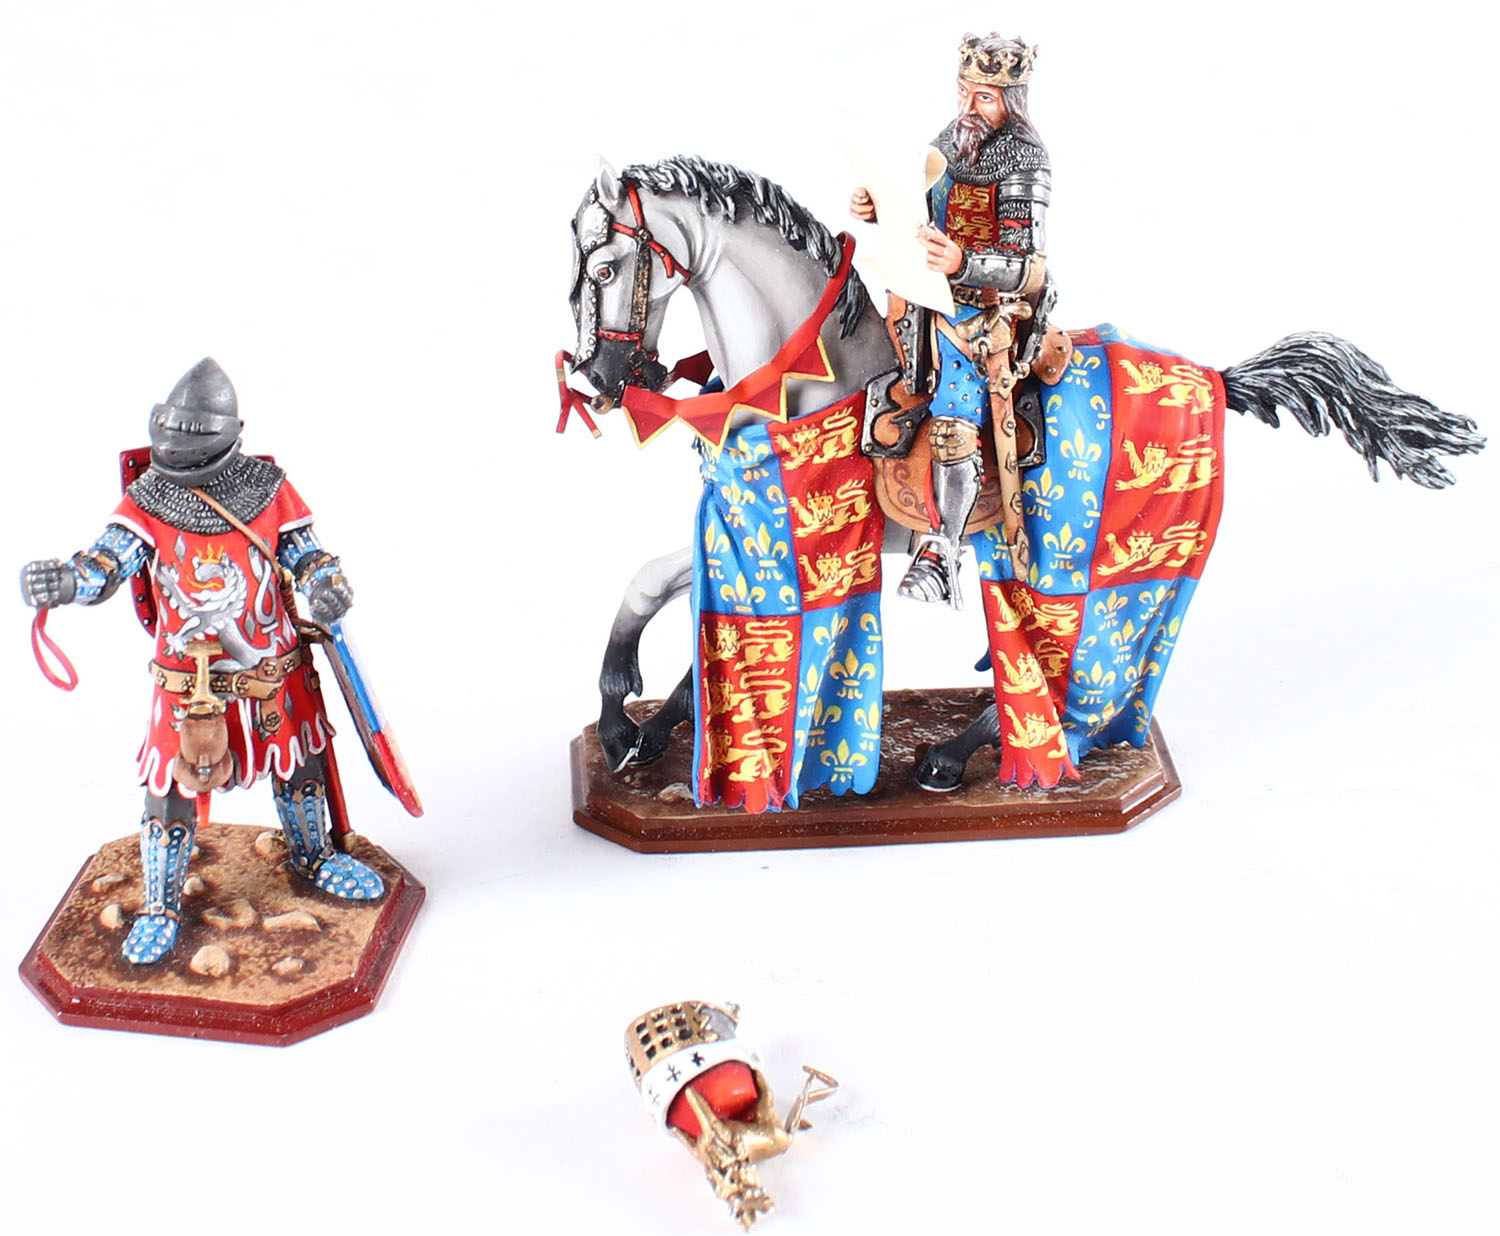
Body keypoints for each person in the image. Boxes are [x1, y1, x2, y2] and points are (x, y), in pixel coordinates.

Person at [20, 358, 384, 964]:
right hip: (185, 680)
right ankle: (160, 906)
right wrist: (64, 581)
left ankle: (314, 856)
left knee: (298, 765)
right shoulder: (148, 498)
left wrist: (327, 583)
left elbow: (307, 554)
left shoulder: (268, 489)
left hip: (268, 670)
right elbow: (104, 566)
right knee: (169, 789)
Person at [851, 32, 1053, 605]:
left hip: (988, 311)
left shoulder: (1025, 161)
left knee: (954, 409)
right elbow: (919, 216)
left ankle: (943, 551)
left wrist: (965, 262)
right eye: (964, 91)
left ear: (1011, 101)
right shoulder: (950, 142)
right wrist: (878, 209)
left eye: (984, 97)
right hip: (923, 295)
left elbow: (1029, 265)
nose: (969, 106)